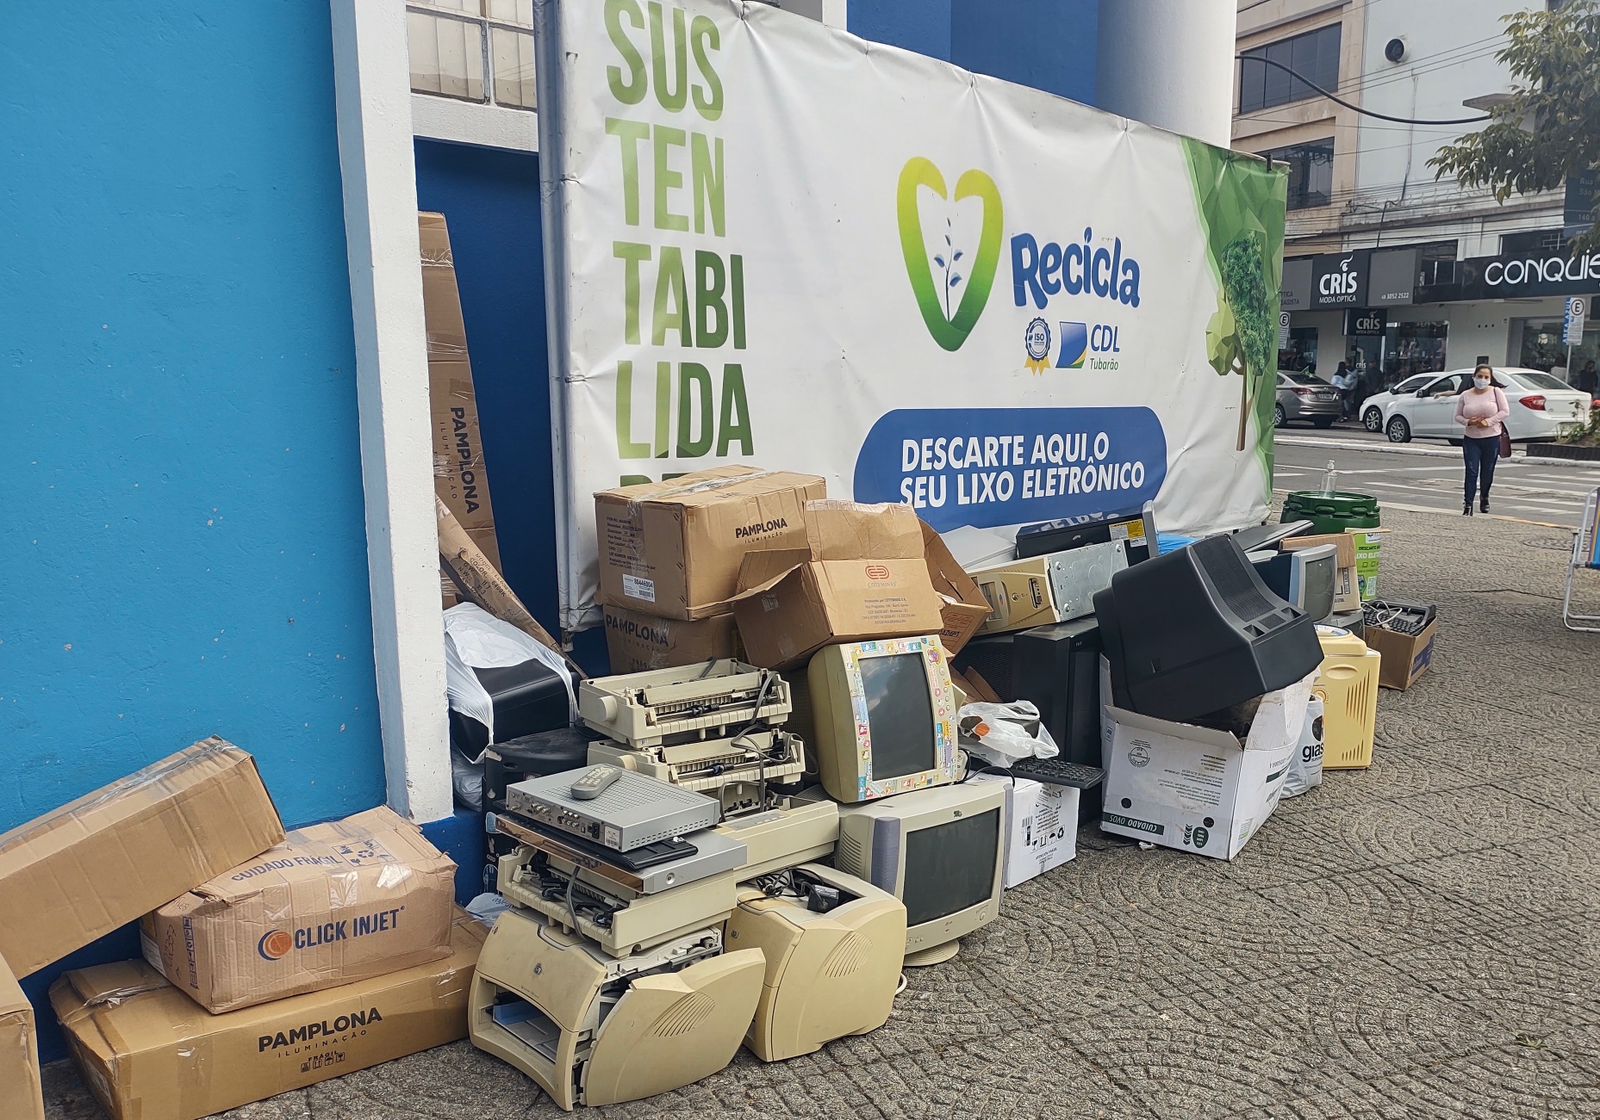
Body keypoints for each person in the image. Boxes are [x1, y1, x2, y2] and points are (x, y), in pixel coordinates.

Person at [1453, 364, 1510, 516]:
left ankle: (1484, 497)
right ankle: (1468, 503)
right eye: (1480, 376)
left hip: (1491, 438)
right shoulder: (1465, 395)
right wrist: (1468, 422)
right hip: (1471, 439)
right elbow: (1458, 416)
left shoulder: (1496, 392)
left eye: (1486, 377)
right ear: (1474, 377)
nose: (1482, 380)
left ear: (1490, 379)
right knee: (1471, 471)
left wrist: (1488, 422)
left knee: (1487, 471)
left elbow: (1504, 412)